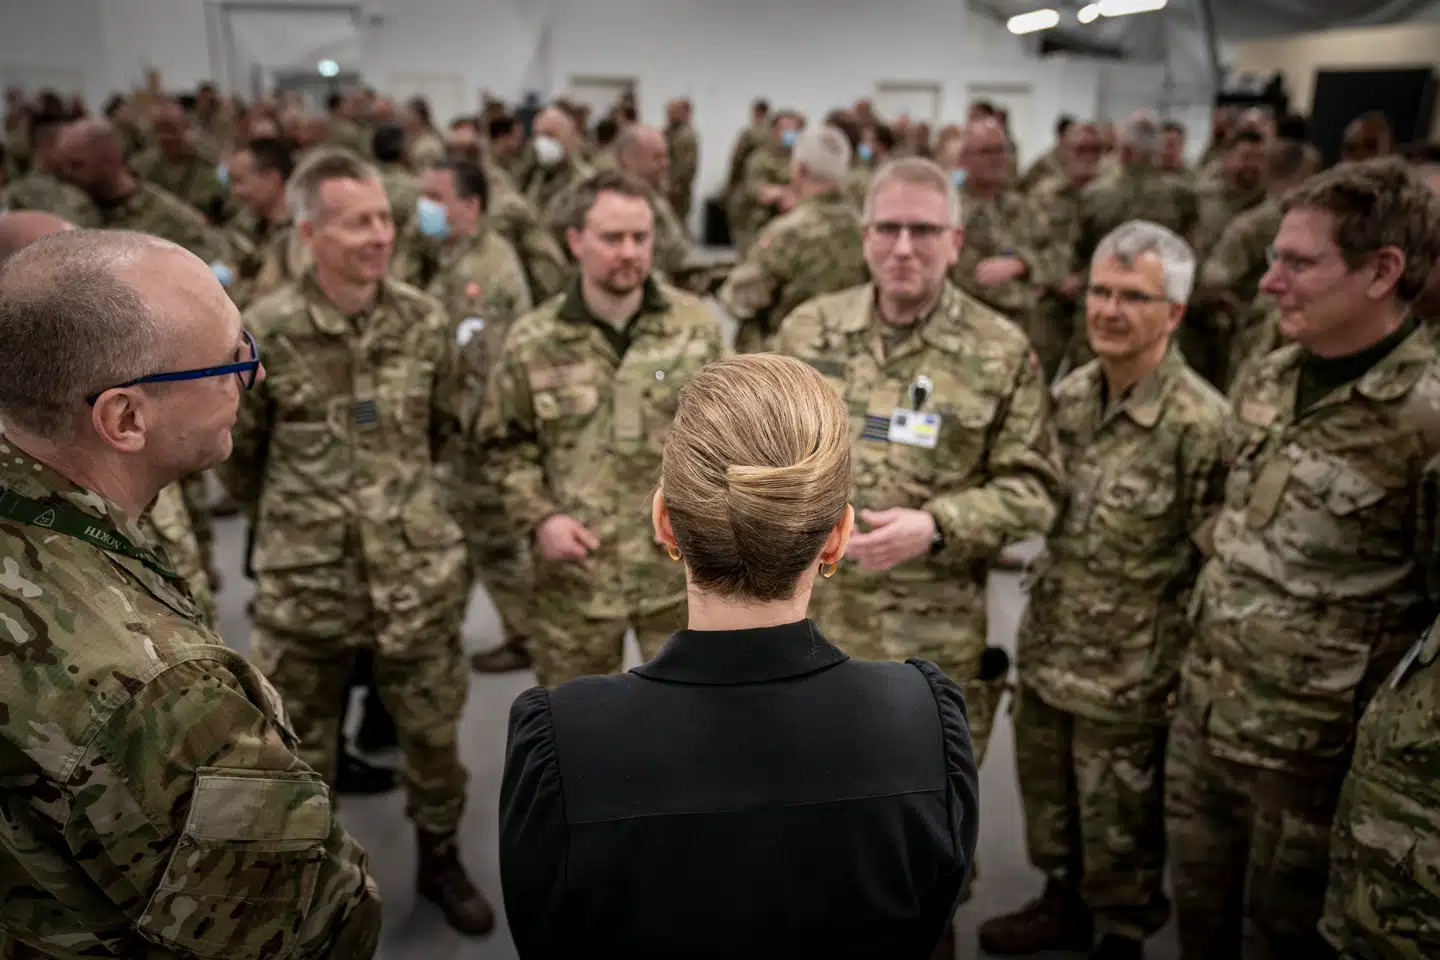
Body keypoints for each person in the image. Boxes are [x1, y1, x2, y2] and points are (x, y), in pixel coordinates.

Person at [499, 353, 980, 958]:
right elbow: (929, 924)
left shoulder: (563, 742)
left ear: (665, 524)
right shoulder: (924, 722)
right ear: (837, 535)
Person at [0, 228, 381, 958]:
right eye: (231, 361)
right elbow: (315, 927)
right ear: (125, 419)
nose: (253, 378)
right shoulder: (160, 692)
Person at [1166, 157, 1440, 960]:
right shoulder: (1272, 373)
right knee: (1200, 925)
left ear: (1382, 271)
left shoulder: (1425, 419)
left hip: (1310, 761)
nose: (1268, 282)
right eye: (1273, 258)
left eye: (1298, 262)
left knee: (1280, 941)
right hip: (1207, 716)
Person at [217, 148, 495, 936]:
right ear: (309, 231)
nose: (381, 236)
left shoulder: (421, 320)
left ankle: (439, 859)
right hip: (307, 584)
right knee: (298, 752)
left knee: (435, 739)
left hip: (415, 576)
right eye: (358, 222)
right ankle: (312, 885)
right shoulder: (262, 333)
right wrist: (303, 520)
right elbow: (238, 456)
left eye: (384, 218)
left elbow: (442, 431)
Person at [980, 222, 1229, 960]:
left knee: (1122, 824)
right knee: (1053, 808)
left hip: (1133, 676)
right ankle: (1061, 903)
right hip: (1051, 645)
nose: (1109, 310)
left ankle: (1119, 934)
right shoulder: (1073, 396)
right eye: (1099, 291)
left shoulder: (1201, 425)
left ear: (1174, 313)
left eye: (1133, 296)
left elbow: (1215, 566)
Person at [774, 157, 1063, 772]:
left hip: (930, 644)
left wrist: (937, 526)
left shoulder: (999, 351)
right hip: (811, 628)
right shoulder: (808, 332)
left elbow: (1034, 488)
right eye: (888, 228)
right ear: (865, 236)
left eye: (925, 232)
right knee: (809, 809)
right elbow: (764, 452)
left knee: (924, 825)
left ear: (955, 243)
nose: (904, 248)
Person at [479, 170, 725, 688]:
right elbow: (503, 445)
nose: (630, 252)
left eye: (641, 237)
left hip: (676, 572)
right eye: (612, 238)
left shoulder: (695, 329)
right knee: (576, 729)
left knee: (690, 719)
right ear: (575, 242)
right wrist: (540, 517)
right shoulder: (534, 340)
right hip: (576, 577)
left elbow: (726, 436)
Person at [719, 124, 867, 353]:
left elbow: (738, 301)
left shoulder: (788, 232)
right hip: (850, 352)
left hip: (789, 359)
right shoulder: (865, 227)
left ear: (800, 170)